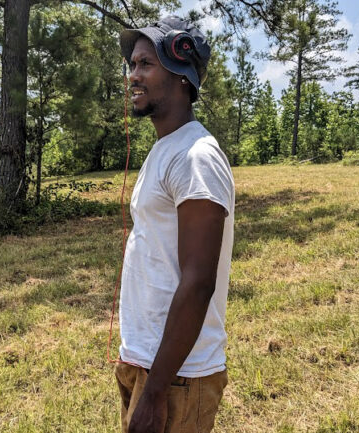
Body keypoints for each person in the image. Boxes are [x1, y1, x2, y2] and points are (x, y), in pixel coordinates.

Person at [115, 15, 236, 433]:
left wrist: (154, 393)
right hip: (147, 363)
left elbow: (199, 282)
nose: (133, 75)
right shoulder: (166, 149)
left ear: (182, 75)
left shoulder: (196, 156)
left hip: (177, 377)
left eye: (146, 64)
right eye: (132, 65)